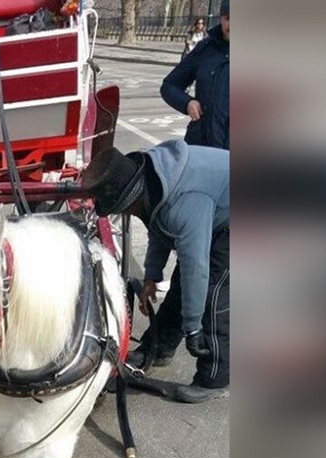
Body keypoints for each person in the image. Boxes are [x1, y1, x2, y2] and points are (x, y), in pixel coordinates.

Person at [82, 140, 229, 403]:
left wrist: (193, 328)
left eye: (124, 209)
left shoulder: (185, 202)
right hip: (218, 205)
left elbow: (197, 267)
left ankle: (215, 377)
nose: (127, 214)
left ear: (133, 197)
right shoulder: (155, 179)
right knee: (184, 281)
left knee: (214, 291)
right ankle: (159, 348)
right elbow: (159, 225)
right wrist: (152, 275)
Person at [161, 0, 229, 150]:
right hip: (202, 146)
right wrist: (187, 103)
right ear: (221, 19)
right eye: (228, 18)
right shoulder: (205, 49)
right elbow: (169, 86)